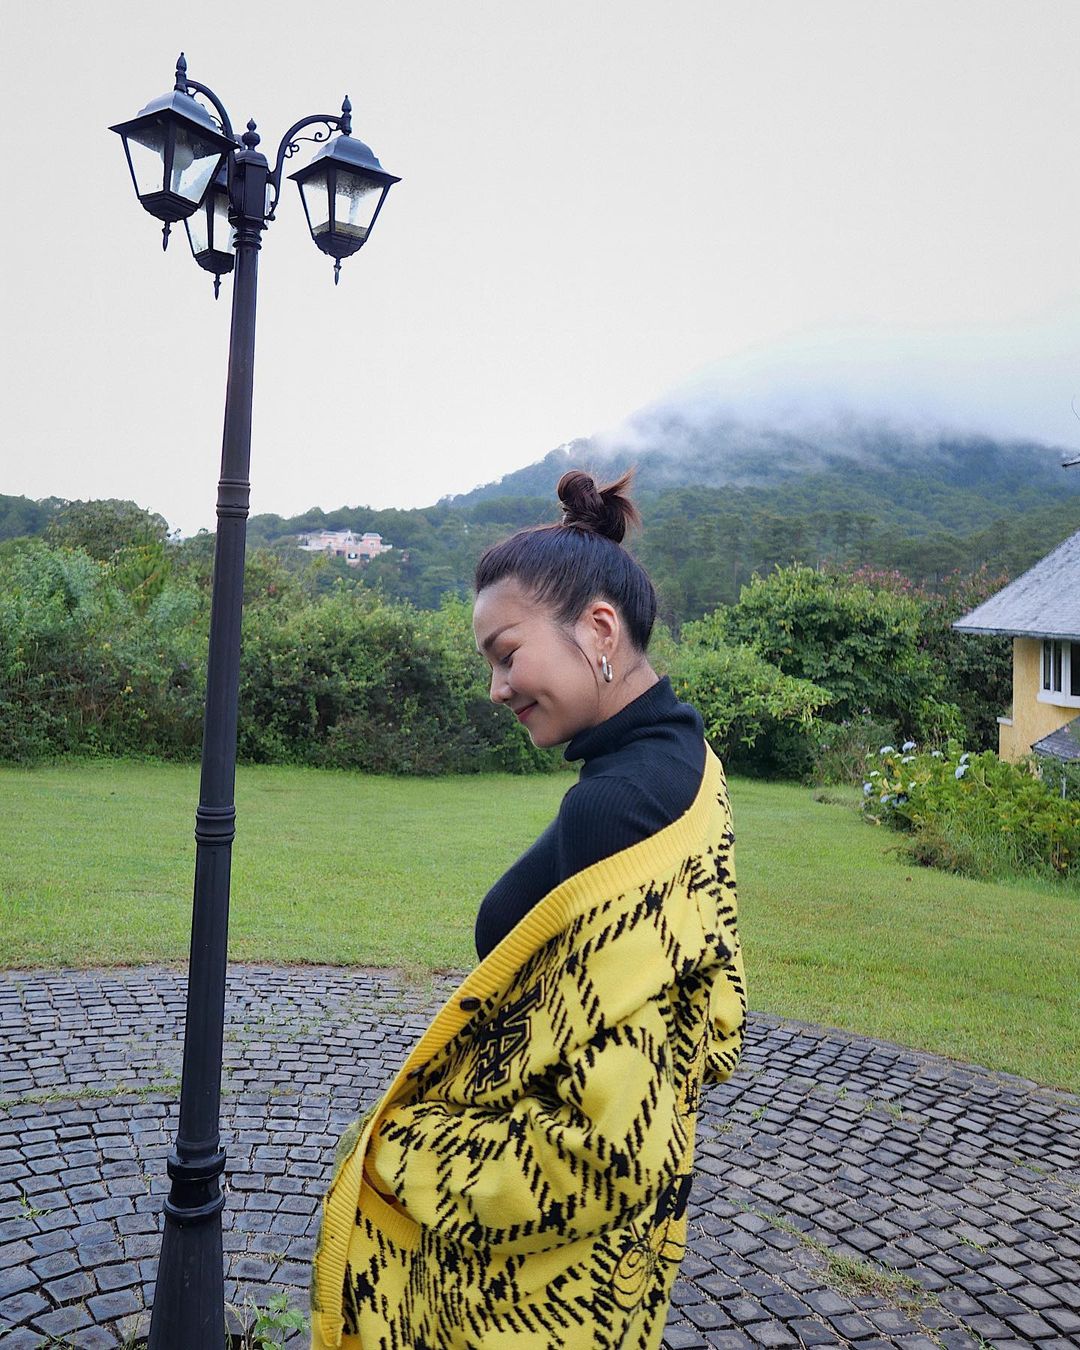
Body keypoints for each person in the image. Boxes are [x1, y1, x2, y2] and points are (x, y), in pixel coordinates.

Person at [310, 469, 746, 1350]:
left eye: (507, 654)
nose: (497, 687)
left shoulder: (616, 810)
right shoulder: (685, 760)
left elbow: (605, 1147)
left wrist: (396, 1153)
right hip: (599, 1270)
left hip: (532, 1291)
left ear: (599, 629)